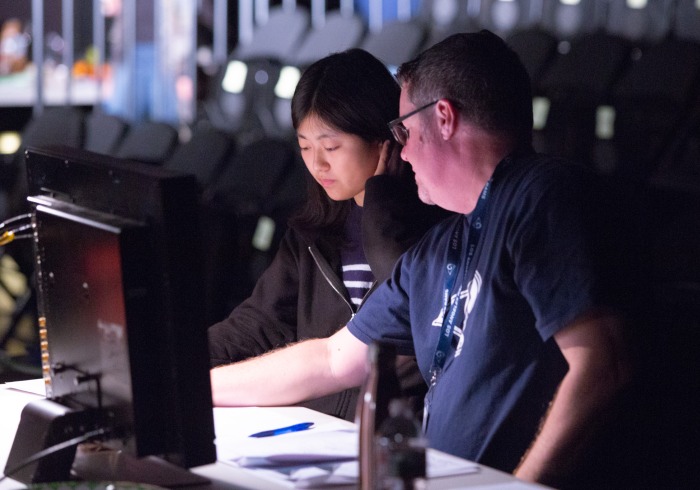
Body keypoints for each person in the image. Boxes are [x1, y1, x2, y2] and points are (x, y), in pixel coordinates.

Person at [210, 31, 630, 488]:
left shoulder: (539, 196)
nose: (403, 152)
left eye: (404, 132)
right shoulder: (442, 244)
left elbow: (601, 362)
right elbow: (332, 360)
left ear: (444, 118)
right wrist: (190, 387)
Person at [208, 48, 449, 421]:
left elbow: (416, 313)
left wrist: (380, 210)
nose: (317, 164)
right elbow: (257, 325)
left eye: (331, 147)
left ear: (383, 137)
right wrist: (179, 364)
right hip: (318, 429)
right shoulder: (313, 234)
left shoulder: (435, 227)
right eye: (305, 147)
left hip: (398, 433)